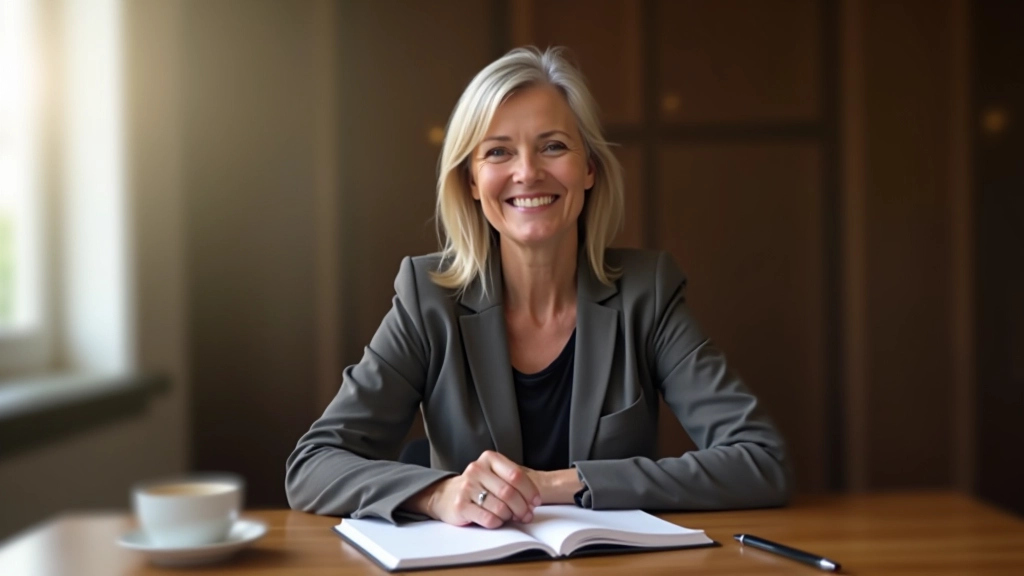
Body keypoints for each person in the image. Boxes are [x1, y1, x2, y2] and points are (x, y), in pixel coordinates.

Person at [285, 46, 788, 529]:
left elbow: (761, 460)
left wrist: (556, 484)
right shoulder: (427, 298)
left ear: (588, 168)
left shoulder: (645, 293)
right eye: (499, 152)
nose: (527, 172)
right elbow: (312, 466)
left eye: (552, 146)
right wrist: (437, 495)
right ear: (471, 182)